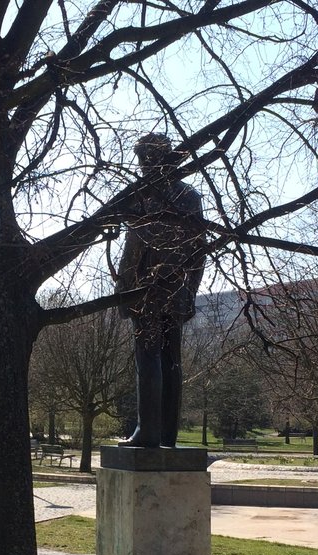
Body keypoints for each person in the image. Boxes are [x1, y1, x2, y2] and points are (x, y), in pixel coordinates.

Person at [116, 133, 207, 448]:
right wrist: (190, 291)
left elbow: (133, 250)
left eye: (145, 159)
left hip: (148, 292)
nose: (143, 167)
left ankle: (150, 432)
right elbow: (199, 252)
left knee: (150, 359)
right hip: (175, 290)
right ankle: (165, 434)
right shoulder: (188, 197)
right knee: (170, 360)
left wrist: (125, 291)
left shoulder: (143, 197)